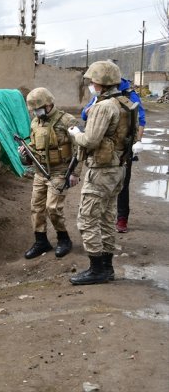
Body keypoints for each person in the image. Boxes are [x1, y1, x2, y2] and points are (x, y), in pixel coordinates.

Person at [68, 60, 138, 285]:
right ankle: (107, 268)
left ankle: (96, 269)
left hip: (102, 171)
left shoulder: (103, 106)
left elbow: (89, 140)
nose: (91, 84)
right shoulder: (124, 103)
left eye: (93, 81)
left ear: (101, 83)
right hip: (118, 168)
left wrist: (74, 133)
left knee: (87, 219)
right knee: (107, 218)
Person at [19, 87, 79, 259]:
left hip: (60, 171)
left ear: (48, 104)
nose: (36, 113)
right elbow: (34, 144)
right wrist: (25, 150)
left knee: (53, 208)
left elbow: (79, 148)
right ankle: (41, 241)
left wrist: (75, 173)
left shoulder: (67, 120)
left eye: (38, 108)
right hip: (40, 171)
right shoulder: (35, 123)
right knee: (36, 208)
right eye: (34, 110)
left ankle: (63, 239)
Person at [81, 77, 146, 233]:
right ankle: (105, 218)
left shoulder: (130, 95)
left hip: (123, 147)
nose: (92, 85)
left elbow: (140, 118)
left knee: (122, 184)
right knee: (100, 184)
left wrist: (138, 140)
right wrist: (89, 110)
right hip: (103, 148)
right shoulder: (101, 94)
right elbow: (84, 114)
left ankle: (122, 218)